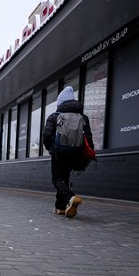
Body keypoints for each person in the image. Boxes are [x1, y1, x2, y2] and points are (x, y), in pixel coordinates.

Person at [42, 86, 94, 218]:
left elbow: (47, 136)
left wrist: (51, 149)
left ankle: (71, 198)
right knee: (64, 178)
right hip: (76, 152)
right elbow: (88, 137)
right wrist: (88, 154)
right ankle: (60, 207)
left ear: (60, 103)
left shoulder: (54, 116)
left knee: (57, 179)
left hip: (59, 153)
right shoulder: (83, 117)